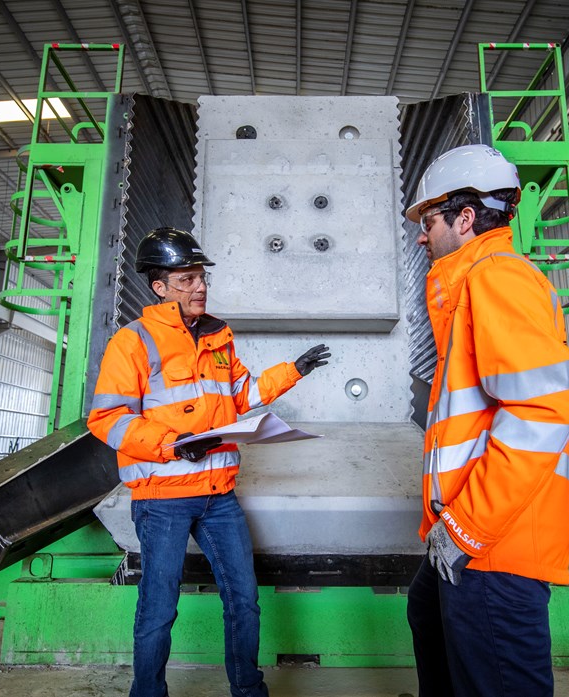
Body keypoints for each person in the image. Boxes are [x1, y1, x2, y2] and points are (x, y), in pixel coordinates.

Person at [87, 226, 330, 697]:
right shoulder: (133, 342)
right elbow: (108, 419)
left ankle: (248, 690)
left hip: (219, 496)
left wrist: (292, 372)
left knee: (244, 600)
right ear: (159, 287)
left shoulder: (218, 335)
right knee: (159, 608)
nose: (199, 286)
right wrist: (173, 443)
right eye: (186, 279)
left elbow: (240, 394)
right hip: (163, 499)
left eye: (201, 277)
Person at [402, 144, 569, 697]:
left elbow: (541, 412)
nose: (421, 235)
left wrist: (467, 527)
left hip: (494, 542)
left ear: (466, 217)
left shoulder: (496, 278)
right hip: (468, 532)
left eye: (429, 220)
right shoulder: (472, 284)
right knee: (425, 612)